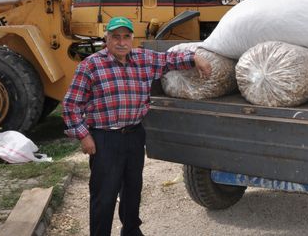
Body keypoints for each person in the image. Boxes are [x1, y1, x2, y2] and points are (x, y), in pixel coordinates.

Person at [62, 16, 211, 236]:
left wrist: (195, 57)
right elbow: (71, 105)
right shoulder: (91, 65)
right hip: (105, 139)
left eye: (126, 36)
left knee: (132, 189)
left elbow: (169, 60)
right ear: (107, 39)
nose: (121, 42)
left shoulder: (143, 59)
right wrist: (83, 136)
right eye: (115, 37)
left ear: (132, 38)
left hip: (134, 135)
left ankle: (131, 230)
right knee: (105, 194)